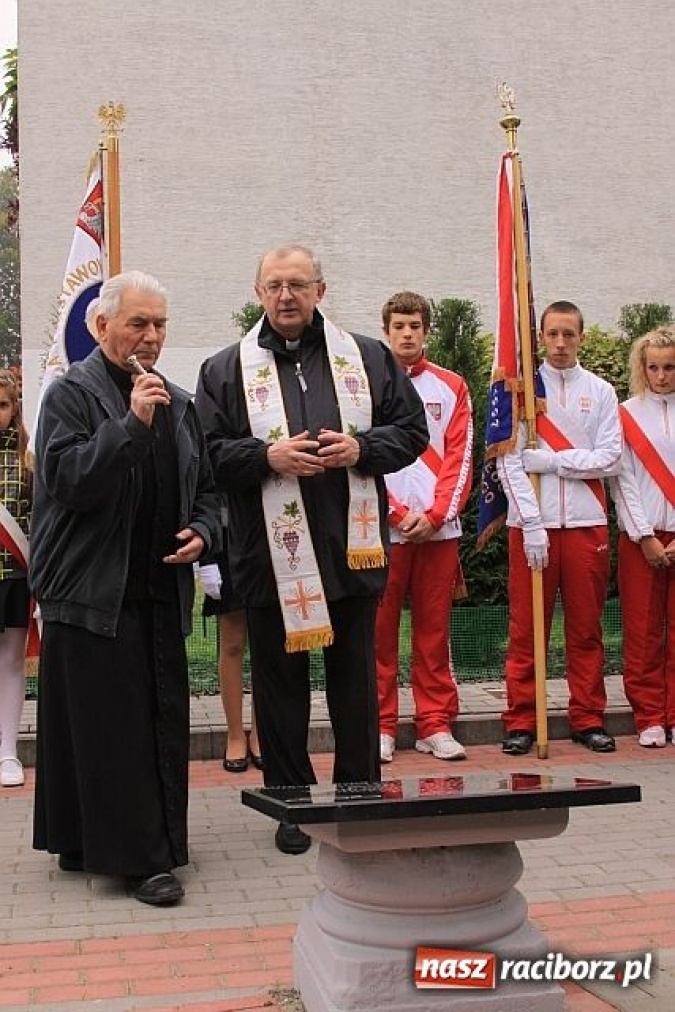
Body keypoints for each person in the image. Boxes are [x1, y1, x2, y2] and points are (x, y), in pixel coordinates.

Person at [195, 244, 428, 854]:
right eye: (274, 285)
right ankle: (291, 804)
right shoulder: (225, 368)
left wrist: (363, 450)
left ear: (320, 291)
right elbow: (207, 455)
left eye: (298, 284)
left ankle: (358, 799)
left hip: (351, 552)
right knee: (280, 685)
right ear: (258, 293)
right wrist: (264, 456)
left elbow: (412, 432)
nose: (286, 296)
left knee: (354, 680)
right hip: (270, 555)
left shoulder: (369, 357)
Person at [30, 271, 220, 905]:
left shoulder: (181, 403)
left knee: (157, 720)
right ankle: (138, 862)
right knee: (109, 728)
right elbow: (70, 480)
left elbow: (209, 491)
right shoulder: (69, 395)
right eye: (138, 323)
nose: (151, 337)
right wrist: (132, 426)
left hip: (159, 586)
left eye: (160, 324)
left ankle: (104, 839)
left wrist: (202, 530)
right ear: (100, 325)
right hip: (90, 589)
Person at [497, 300, 622, 755]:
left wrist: (553, 461)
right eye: (552, 334)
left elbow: (609, 458)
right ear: (541, 338)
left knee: (586, 630)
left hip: (586, 524)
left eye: (569, 334)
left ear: (582, 337)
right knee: (526, 629)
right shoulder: (521, 391)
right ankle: (521, 720)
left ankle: (588, 717)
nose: (561, 343)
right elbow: (509, 462)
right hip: (533, 525)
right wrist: (531, 521)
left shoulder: (602, 391)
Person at [376, 292, 472, 764]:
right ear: (386, 331)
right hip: (382, 531)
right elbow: (364, 461)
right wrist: (394, 513)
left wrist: (434, 515)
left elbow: (461, 456)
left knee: (434, 632)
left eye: (415, 325)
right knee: (379, 631)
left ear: (426, 330)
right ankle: (380, 725)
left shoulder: (453, 386)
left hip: (438, 532)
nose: (407, 333)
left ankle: (434, 723)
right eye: (398, 326)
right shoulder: (368, 386)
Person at [611, 326, 675, 748]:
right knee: (643, 630)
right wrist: (644, 535)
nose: (662, 375)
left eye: (669, 367)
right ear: (642, 368)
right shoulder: (625, 413)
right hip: (642, 539)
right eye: (653, 367)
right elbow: (623, 480)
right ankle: (650, 715)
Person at [199, 532, 262, 772]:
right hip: (225, 540)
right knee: (232, 642)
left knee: (264, 641)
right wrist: (207, 559)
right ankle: (235, 734)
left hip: (269, 534)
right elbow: (205, 498)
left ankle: (260, 733)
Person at [0, 371, 32, 788]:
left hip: (13, 576)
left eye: (3, 405)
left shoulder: (28, 459)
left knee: (10, 662)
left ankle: (8, 751)